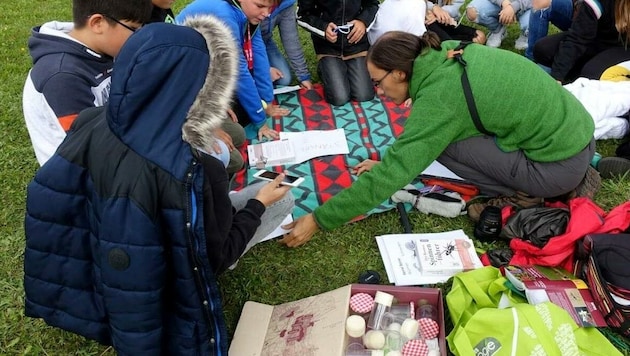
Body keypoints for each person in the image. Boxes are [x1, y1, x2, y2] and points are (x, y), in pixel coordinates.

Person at [23, 19, 294, 354]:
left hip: (97, 273)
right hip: (155, 292)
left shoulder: (92, 121)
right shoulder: (197, 168)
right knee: (278, 198)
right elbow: (215, 257)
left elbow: (52, 199)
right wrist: (259, 205)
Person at [281, 31, 598, 247]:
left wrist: (319, 220)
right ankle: (568, 175)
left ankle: (527, 194)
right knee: (443, 136)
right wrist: (389, 159)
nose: (378, 92)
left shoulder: (439, 99)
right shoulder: (447, 53)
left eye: (379, 82)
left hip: (556, 168)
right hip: (580, 138)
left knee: (445, 143)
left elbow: (396, 171)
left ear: (400, 74)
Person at [22, 0, 152, 166]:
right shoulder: (62, 78)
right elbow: (91, 148)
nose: (139, 38)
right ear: (97, 23)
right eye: (133, 29)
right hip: (82, 178)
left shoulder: (103, 48)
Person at [177, 0, 290, 141]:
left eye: (270, 8)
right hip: (187, 80)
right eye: (260, 6)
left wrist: (267, 101)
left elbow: (258, 51)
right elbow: (239, 72)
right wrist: (260, 121)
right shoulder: (225, 17)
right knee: (240, 123)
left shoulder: (245, 11)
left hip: (207, 65)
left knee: (245, 107)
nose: (266, 14)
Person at [297, 0, 379, 106]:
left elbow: (372, 5)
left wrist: (363, 22)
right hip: (328, 47)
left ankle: (338, 69)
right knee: (339, 98)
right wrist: (323, 28)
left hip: (357, 45)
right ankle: (325, 68)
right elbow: (302, 15)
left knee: (364, 95)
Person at [533, 0, 630, 84]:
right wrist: (557, 76)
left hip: (624, 49)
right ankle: (578, 74)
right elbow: (577, 37)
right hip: (598, 40)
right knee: (543, 49)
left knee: (590, 73)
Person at [261, 0, 313, 89]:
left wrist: (303, 76)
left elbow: (291, 40)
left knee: (284, 79)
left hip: (265, 42)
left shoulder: (286, 3)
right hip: (242, 46)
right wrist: (264, 69)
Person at [466, 0, 532, 48]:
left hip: (529, 7)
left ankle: (526, 35)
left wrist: (514, 7)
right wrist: (504, 2)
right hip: (501, 4)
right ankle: (497, 30)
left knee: (535, 16)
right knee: (472, 11)